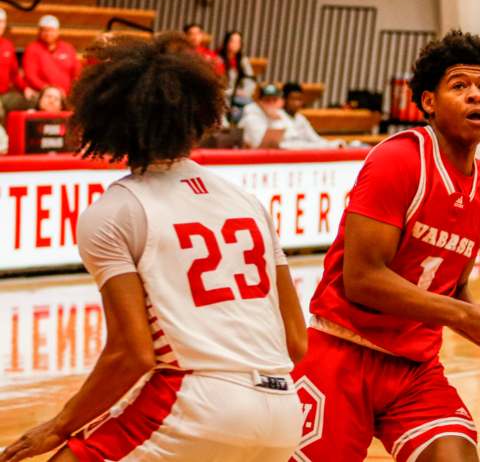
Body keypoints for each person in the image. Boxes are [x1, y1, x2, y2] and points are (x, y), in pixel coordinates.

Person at [0, 37, 307, 462]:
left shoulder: (113, 211)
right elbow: (295, 342)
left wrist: (60, 426)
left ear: (106, 117)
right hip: (285, 412)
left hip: (199, 402)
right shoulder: (247, 201)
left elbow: (133, 353)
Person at [290, 30, 480, 462]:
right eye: (460, 86)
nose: (476, 97)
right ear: (428, 101)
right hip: (341, 353)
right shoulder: (398, 160)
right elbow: (362, 279)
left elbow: (452, 285)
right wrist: (465, 315)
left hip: (414, 369)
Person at [22, 15, 81, 96]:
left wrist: (72, 90)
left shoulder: (68, 48)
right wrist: (50, 90)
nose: (48, 33)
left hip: (67, 94)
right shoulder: (32, 49)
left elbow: (76, 72)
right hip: (42, 94)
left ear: (58, 31)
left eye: (51, 30)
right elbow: (31, 76)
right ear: (39, 32)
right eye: (45, 30)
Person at [278, 82, 340, 149]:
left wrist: (332, 144)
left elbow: (315, 139)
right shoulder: (277, 116)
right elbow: (281, 144)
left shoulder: (300, 118)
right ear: (284, 99)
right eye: (293, 99)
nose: (297, 103)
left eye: (299, 99)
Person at [0, 8, 33, 126]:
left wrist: (25, 88)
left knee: (35, 100)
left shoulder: (8, 45)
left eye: (1, 22)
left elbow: (14, 74)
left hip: (5, 94)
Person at [218, 30, 256, 122]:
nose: (235, 44)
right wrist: (232, 92)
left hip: (239, 98)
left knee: (252, 109)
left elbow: (250, 80)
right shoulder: (217, 59)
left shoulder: (243, 60)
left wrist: (245, 92)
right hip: (223, 96)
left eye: (238, 42)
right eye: (232, 41)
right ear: (226, 42)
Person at [240, 83, 287, 149]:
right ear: (258, 101)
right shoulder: (251, 118)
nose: (271, 103)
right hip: (250, 157)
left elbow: (290, 136)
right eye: (267, 100)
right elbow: (260, 145)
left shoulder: (279, 113)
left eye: (274, 100)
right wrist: (275, 120)